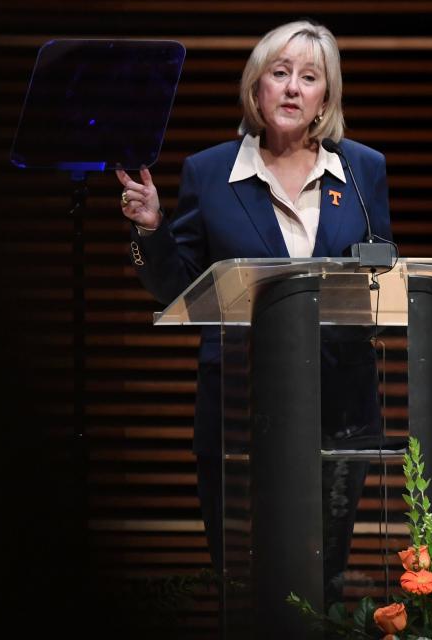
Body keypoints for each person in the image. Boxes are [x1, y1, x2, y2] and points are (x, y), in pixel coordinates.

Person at [116, 19, 392, 604]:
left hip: (340, 403)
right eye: (280, 73)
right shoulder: (210, 172)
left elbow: (380, 274)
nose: (293, 88)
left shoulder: (363, 171)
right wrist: (153, 230)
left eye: (309, 77)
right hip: (239, 405)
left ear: (326, 97)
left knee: (326, 575)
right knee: (244, 579)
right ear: (256, 87)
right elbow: (180, 287)